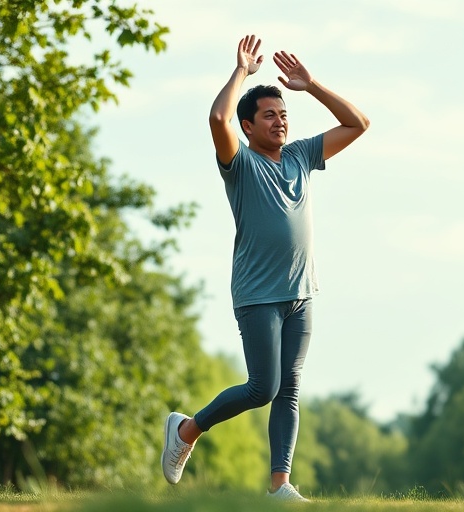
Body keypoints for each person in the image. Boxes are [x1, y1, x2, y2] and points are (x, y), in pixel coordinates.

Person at [159, 34, 370, 501]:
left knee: (290, 390)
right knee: (263, 387)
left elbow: (358, 124)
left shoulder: (301, 156)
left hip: (301, 293)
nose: (280, 122)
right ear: (248, 127)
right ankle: (186, 430)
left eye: (283, 114)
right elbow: (217, 117)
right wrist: (242, 73)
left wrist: (310, 85)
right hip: (258, 295)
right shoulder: (240, 164)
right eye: (269, 116)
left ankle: (281, 487)